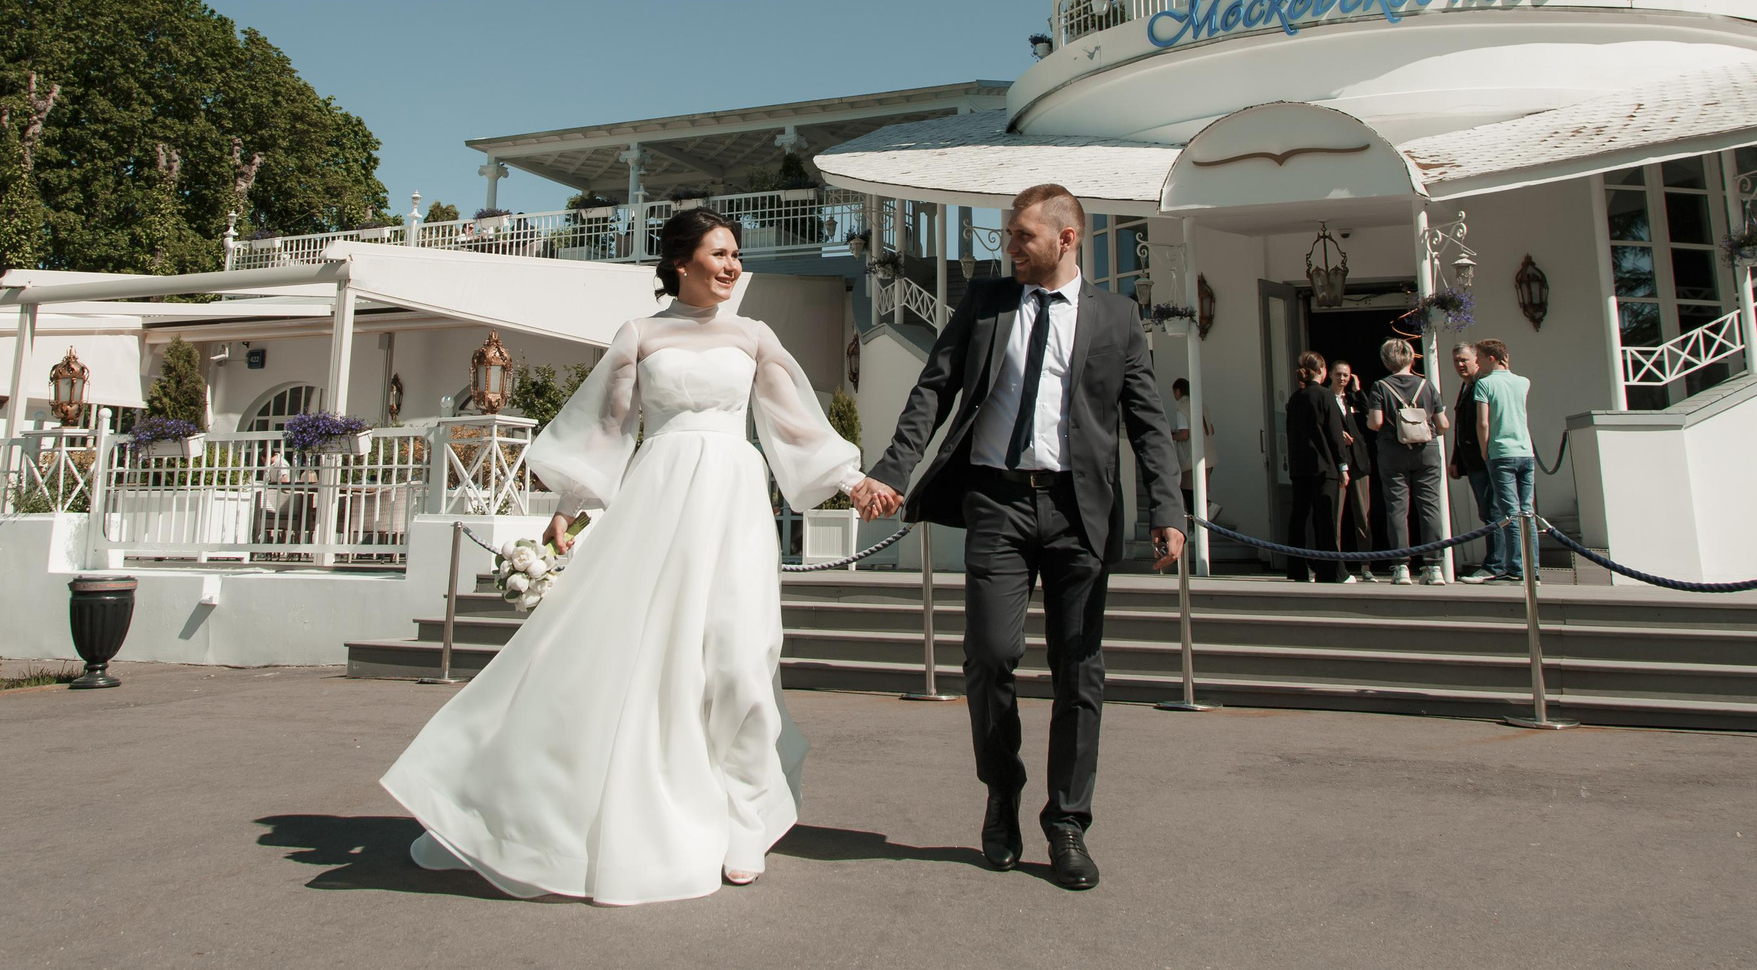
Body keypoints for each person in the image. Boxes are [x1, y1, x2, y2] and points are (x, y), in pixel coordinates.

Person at [382, 208, 881, 904]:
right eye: (721, 253)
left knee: (743, 655)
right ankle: (551, 800)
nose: (734, 265)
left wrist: (851, 481)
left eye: (737, 254)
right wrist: (569, 506)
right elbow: (607, 425)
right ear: (681, 262)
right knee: (639, 658)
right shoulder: (640, 335)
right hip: (658, 501)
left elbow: (794, 421)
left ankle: (746, 814)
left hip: (734, 505)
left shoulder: (755, 335)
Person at [856, 183, 1183, 893]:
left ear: (1067, 239)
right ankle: (1001, 790)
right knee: (991, 654)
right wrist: (891, 467)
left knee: (1078, 668)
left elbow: (1148, 422)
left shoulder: (1117, 317)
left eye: (1022, 235)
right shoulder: (986, 300)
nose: (1008, 245)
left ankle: (1067, 820)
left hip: (1078, 511)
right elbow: (933, 390)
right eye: (1009, 233)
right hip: (997, 504)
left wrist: (1170, 508)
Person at [1364, 338, 1450, 586]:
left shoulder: (1380, 387)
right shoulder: (1427, 385)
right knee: (1430, 506)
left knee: (1397, 508)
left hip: (1393, 449)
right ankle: (1434, 567)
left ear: (1386, 361)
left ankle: (1401, 566)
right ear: (1412, 358)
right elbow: (1443, 424)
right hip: (1426, 449)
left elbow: (1375, 422)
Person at [1283, 350, 1352, 585]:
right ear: (1322, 371)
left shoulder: (1295, 398)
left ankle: (1297, 568)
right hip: (1324, 467)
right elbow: (1334, 433)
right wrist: (1342, 465)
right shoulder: (1325, 396)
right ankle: (1331, 570)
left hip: (1300, 466)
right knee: (1325, 519)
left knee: (1299, 517)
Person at [1472, 340, 1536, 582]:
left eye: (1479, 356)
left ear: (1491, 358)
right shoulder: (1523, 382)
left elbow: (1483, 422)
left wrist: (1484, 449)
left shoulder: (1484, 384)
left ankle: (1518, 568)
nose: (1476, 361)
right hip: (1525, 451)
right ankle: (1533, 568)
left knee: (1510, 513)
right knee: (1527, 512)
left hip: (1501, 453)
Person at [1448, 344, 1499, 582]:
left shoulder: (1483, 384)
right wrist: (1456, 460)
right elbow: (1461, 426)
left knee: (1493, 512)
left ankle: (1496, 564)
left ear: (1476, 361)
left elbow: (1485, 424)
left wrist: (1487, 456)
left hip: (1485, 461)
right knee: (1487, 512)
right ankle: (1496, 562)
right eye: (1457, 360)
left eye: (1464, 360)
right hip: (1472, 462)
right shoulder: (1466, 386)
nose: (1460, 365)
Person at [1328, 360, 1375, 580]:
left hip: (1359, 463)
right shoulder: (1326, 397)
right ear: (1330, 374)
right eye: (1339, 374)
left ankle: (1366, 565)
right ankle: (1337, 565)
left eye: (1346, 375)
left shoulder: (1352, 399)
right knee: (1335, 516)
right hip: (1338, 464)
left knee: (1363, 516)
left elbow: (1370, 417)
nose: (1342, 379)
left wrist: (1358, 390)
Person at [1170, 376, 1216, 525]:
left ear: (1178, 391)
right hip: (1208, 457)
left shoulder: (1182, 408)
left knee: (1189, 494)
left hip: (1192, 459)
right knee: (1200, 493)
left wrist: (1171, 436)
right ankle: (1207, 512)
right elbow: (1211, 429)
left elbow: (1184, 435)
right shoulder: (1202, 405)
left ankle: (1198, 526)